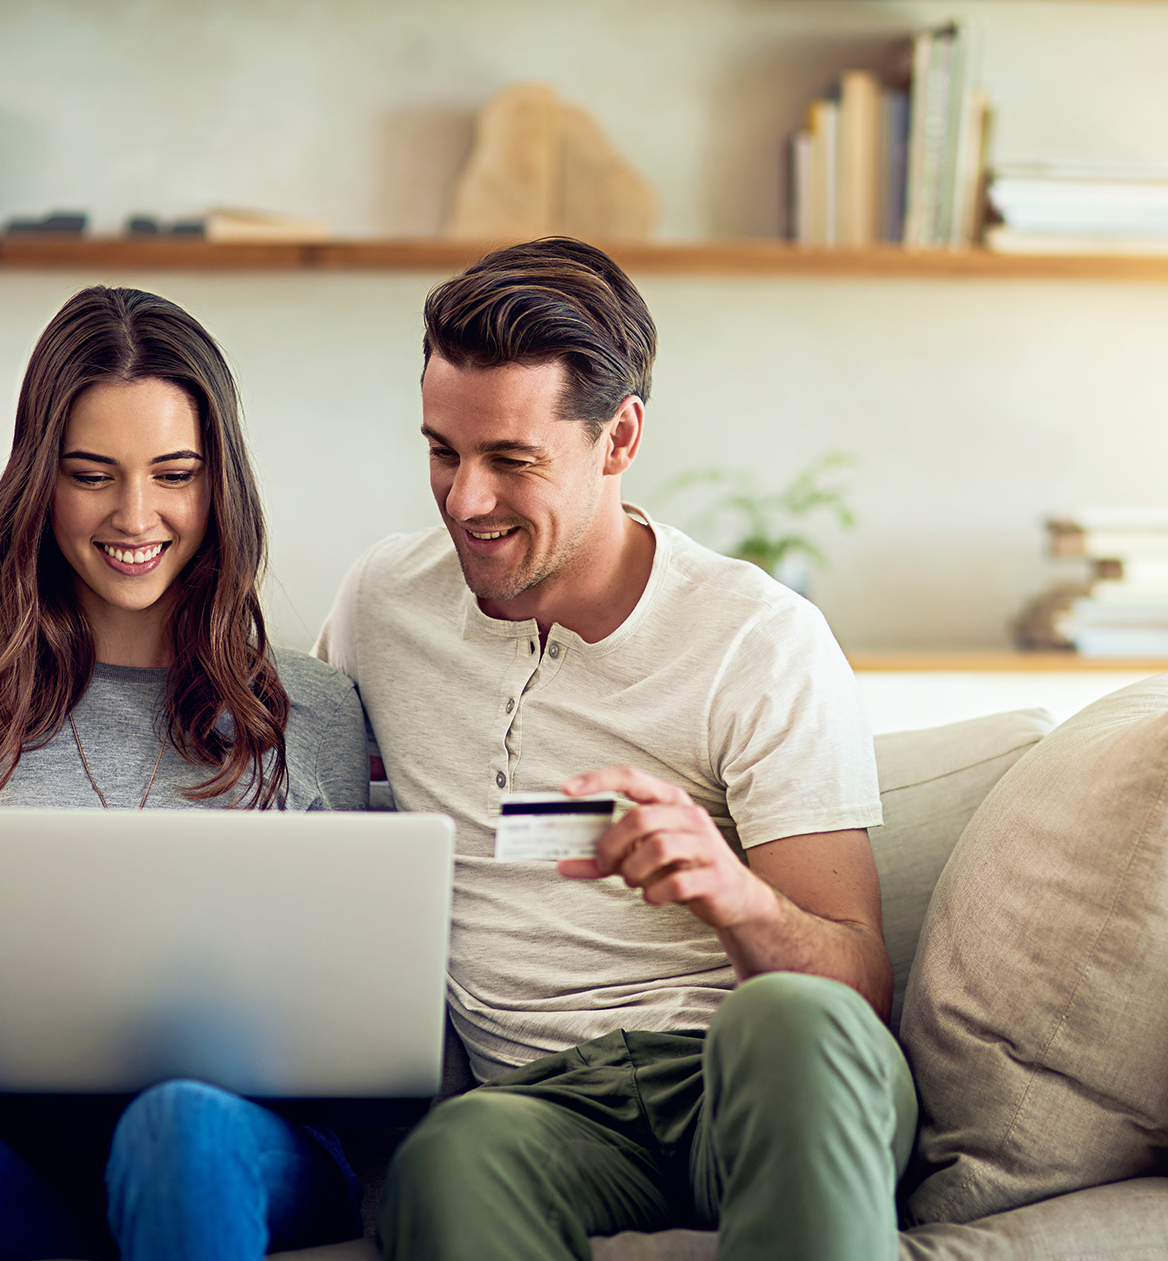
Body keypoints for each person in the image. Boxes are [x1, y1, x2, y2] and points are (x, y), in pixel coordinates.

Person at [314, 237, 917, 1261]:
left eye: (512, 461)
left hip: (753, 1073)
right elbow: (292, 790)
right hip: (549, 1107)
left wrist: (731, 893)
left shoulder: (757, 637)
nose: (466, 500)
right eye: (443, 452)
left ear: (620, 435)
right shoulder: (384, 603)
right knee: (451, 1151)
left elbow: (855, 989)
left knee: (790, 1024)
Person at [0, 286, 368, 1261]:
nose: (136, 515)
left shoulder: (316, 709)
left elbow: (357, 1012)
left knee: (175, 1126)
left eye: (175, 473)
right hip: (12, 1150)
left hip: (231, 1140)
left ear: (221, 484)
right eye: (91, 474)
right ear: (41, 482)